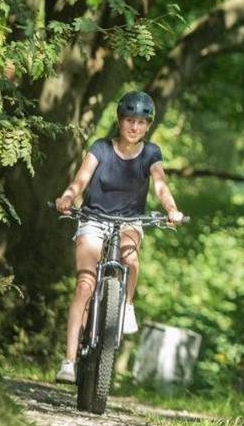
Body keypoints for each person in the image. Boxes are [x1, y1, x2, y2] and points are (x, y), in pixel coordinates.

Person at [52, 90, 184, 383]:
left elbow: (161, 185)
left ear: (148, 125)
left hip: (129, 222)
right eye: (129, 120)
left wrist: (171, 209)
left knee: (130, 258)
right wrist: (67, 197)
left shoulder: (151, 153)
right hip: (94, 219)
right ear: (119, 121)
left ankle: (126, 306)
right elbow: (80, 180)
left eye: (140, 122)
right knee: (85, 284)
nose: (134, 127)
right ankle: (70, 361)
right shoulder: (100, 148)